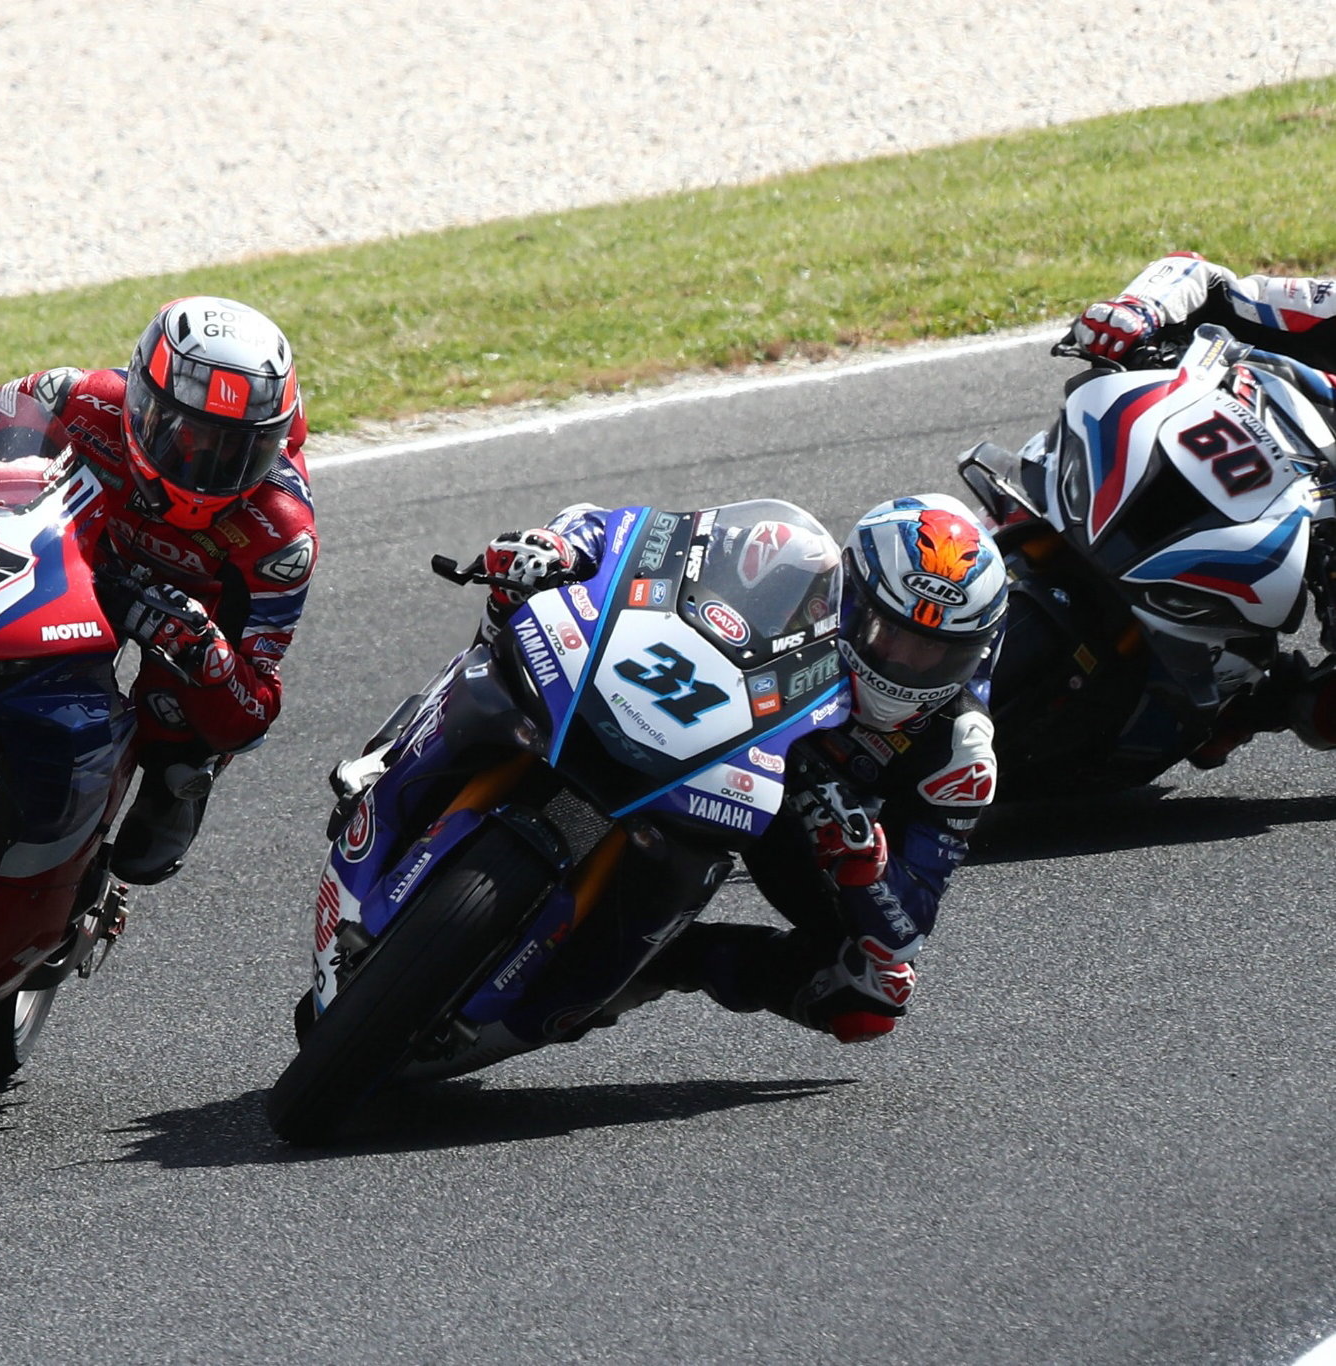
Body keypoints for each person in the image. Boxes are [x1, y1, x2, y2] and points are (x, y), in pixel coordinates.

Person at [480, 493, 1007, 1044]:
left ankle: (667, 962)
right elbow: (638, 536)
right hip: (702, 712)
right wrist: (563, 546)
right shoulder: (792, 558)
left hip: (792, 822)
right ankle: (407, 748)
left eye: (936, 652)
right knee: (518, 597)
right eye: (889, 634)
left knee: (873, 992)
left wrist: (866, 862)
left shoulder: (960, 752)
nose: (905, 662)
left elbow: (909, 924)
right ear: (848, 593)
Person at [0, 296, 318, 884]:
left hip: (186, 611)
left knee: (168, 765)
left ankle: (172, 780)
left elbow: (254, 709)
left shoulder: (281, 534)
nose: (205, 466)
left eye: (237, 450)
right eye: (185, 436)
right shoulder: (73, 398)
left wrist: (197, 645)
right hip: (68, 557)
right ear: (138, 400)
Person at [1071, 252, 1336, 759]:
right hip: (1203, 440)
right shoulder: (1329, 309)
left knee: (1321, 713)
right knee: (1095, 412)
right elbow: (1206, 278)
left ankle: (1260, 702)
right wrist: (1137, 309)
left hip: (1271, 539)